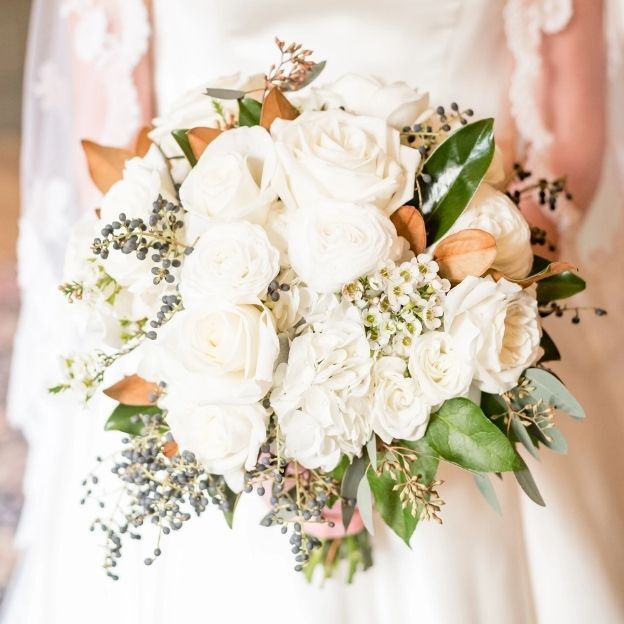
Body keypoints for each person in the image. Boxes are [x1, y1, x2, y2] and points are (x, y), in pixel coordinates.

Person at [2, 1, 623, 622]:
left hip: (467, 316)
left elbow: (564, 147)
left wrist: (424, 358)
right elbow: (113, 162)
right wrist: (247, 399)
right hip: (204, 314)